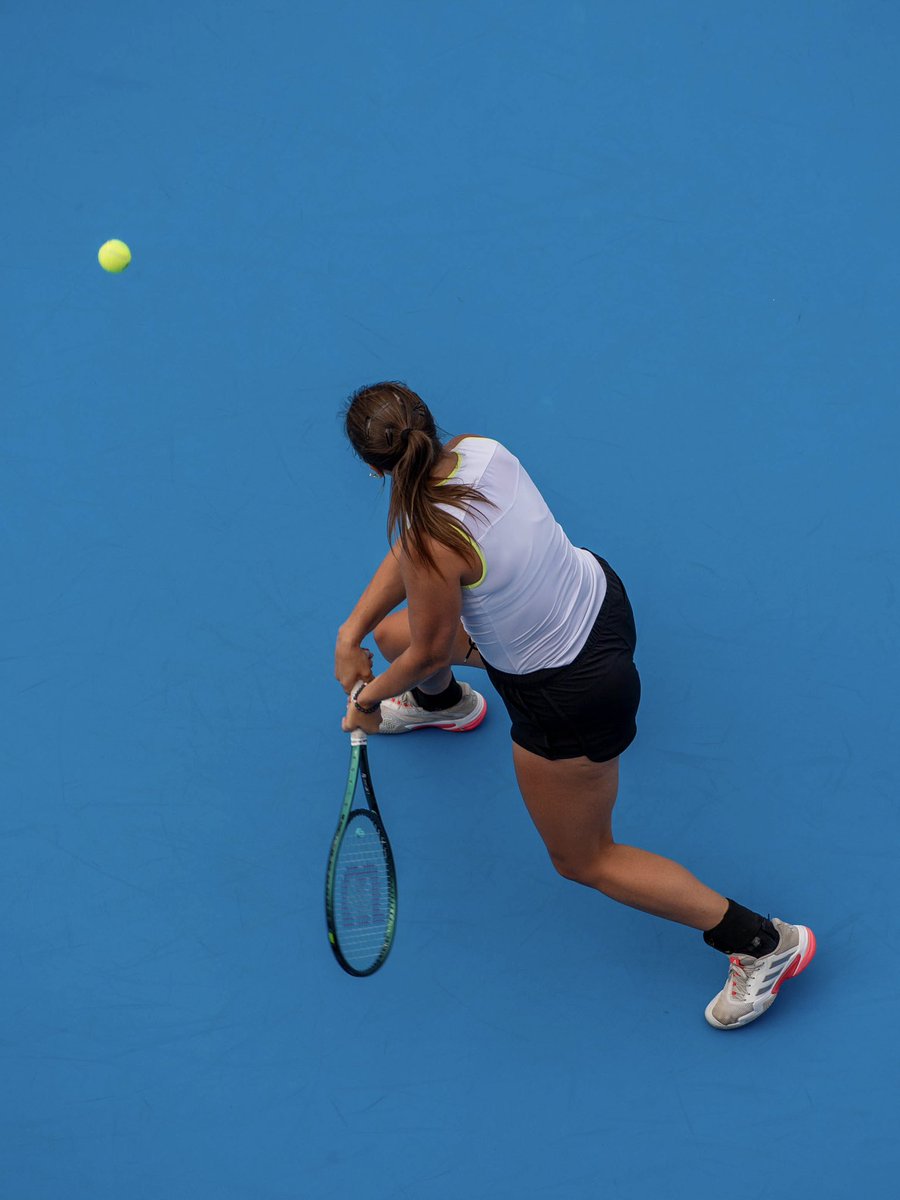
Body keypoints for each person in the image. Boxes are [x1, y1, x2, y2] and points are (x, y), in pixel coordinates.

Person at [334, 381, 815, 1029]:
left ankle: (764, 943)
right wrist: (353, 633)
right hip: (602, 606)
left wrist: (365, 699)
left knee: (584, 859)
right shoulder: (482, 451)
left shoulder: (430, 542)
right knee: (394, 636)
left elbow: (430, 640)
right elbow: (421, 564)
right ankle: (446, 705)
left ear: (374, 468)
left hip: (569, 695)